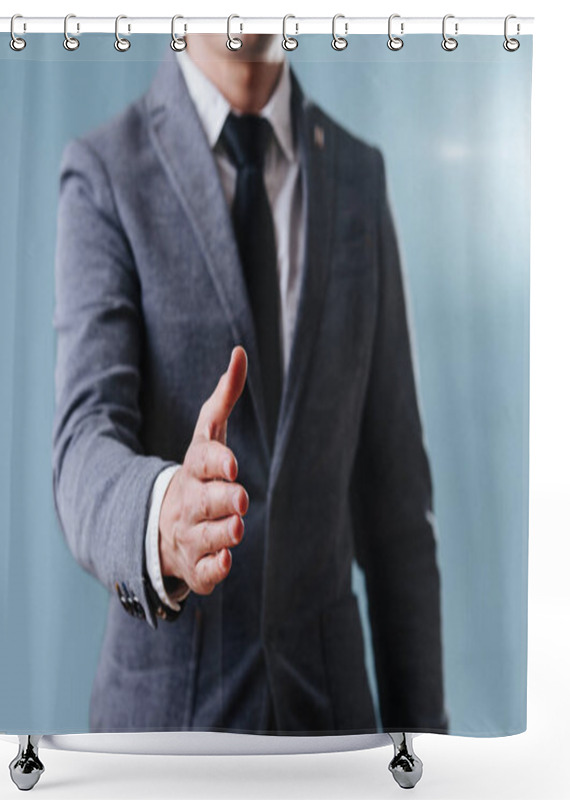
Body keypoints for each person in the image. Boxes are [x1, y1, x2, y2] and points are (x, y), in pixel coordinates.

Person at [52, 33, 446, 735]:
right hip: (164, 732)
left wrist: (430, 750)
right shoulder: (105, 171)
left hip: (331, 726)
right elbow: (83, 441)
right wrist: (162, 512)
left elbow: (395, 512)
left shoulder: (358, 177)